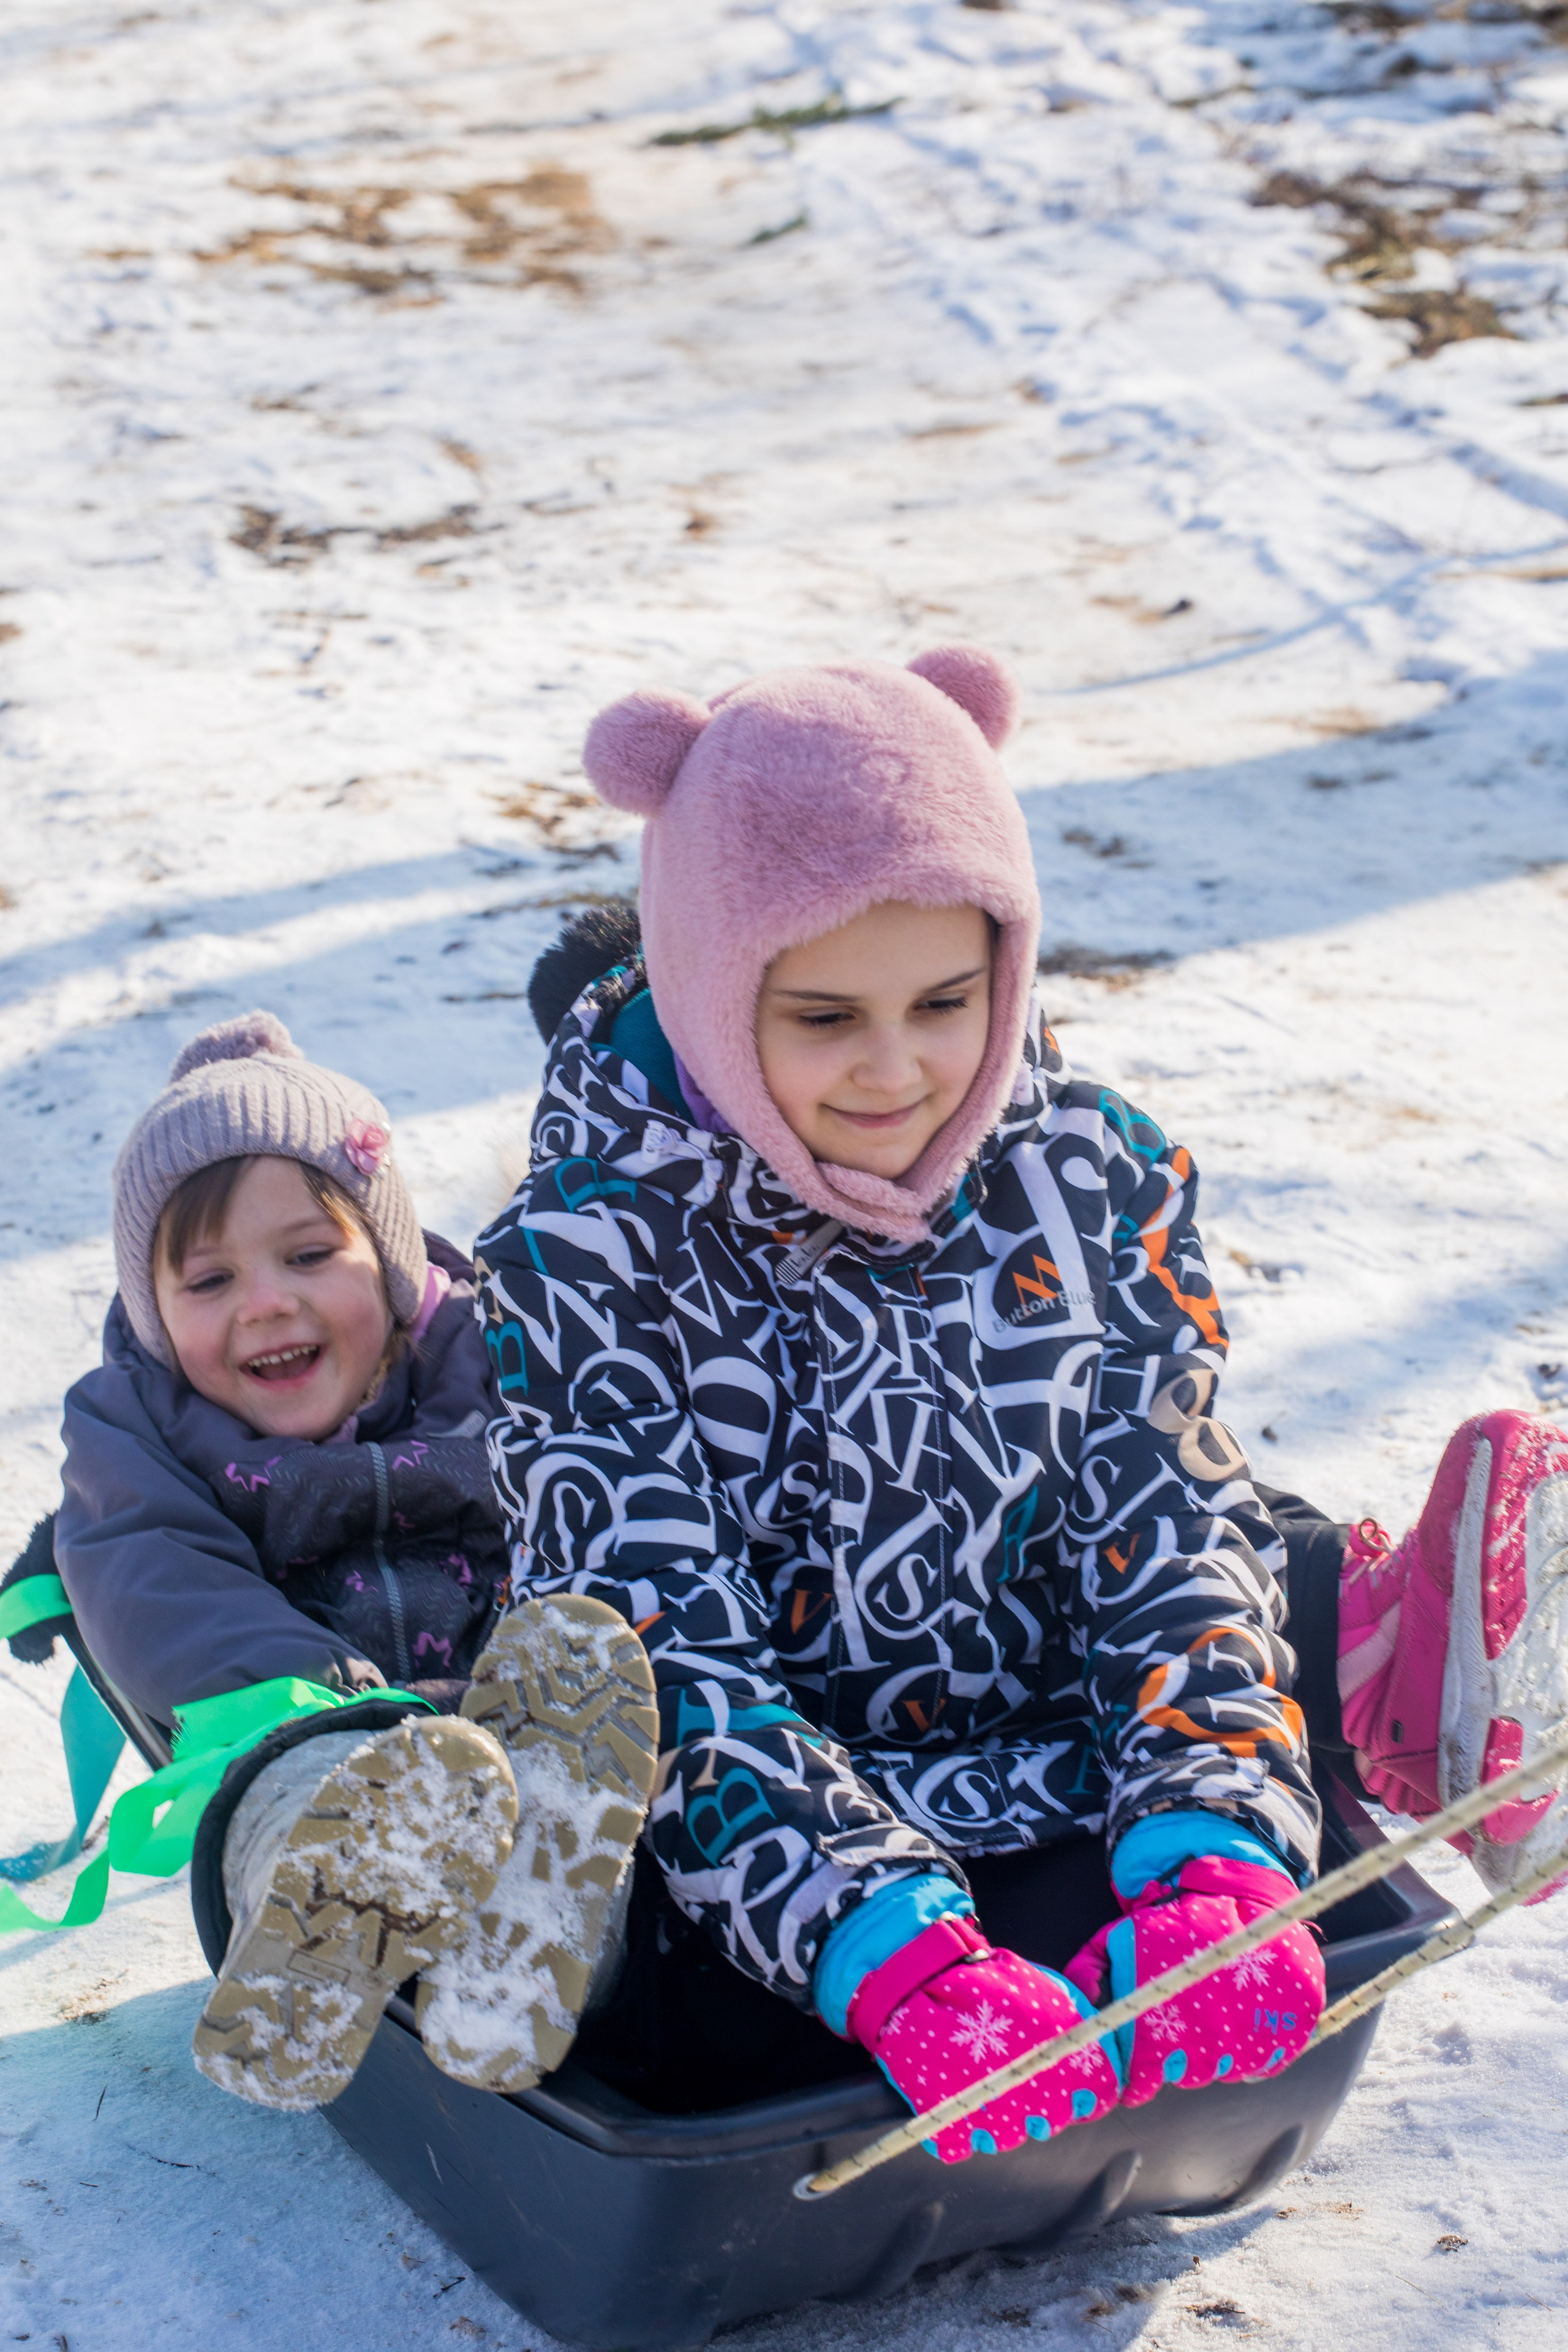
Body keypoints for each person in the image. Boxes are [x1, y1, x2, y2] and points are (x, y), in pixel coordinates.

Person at [476, 644, 1568, 2157]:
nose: (899, 1068)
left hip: (1074, 1793)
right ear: (712, 991)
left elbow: (1170, 1529)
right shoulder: (589, 1260)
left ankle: (1378, 1678)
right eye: (819, 1018)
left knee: (1239, 1864)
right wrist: (882, 1946)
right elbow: (662, 1658)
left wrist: (1216, 1848)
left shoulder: (1087, 1179)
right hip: (782, 1886)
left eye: (945, 998)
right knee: (702, 2043)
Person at [42, 1012, 658, 2114]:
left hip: (510, 1732)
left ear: (392, 1259)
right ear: (152, 1312)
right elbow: (156, 1582)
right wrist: (353, 1720)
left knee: (581, 1771)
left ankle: (526, 1974)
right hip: (301, 1725)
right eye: (208, 1281)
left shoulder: (495, 1358)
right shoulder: (141, 1430)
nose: (266, 1302)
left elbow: (592, 1491)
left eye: (310, 1255)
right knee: (290, 1798)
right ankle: (310, 1940)